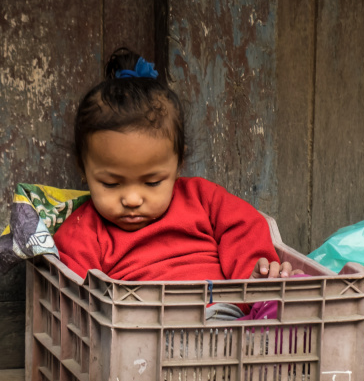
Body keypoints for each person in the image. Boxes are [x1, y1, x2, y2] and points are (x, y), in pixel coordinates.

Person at [54, 47, 291, 303]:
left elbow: (245, 229)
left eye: (153, 182)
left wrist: (254, 276)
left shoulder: (203, 199)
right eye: (111, 184)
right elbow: (75, 297)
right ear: (83, 168)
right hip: (141, 330)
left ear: (178, 164)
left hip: (224, 317)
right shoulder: (83, 232)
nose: (132, 199)